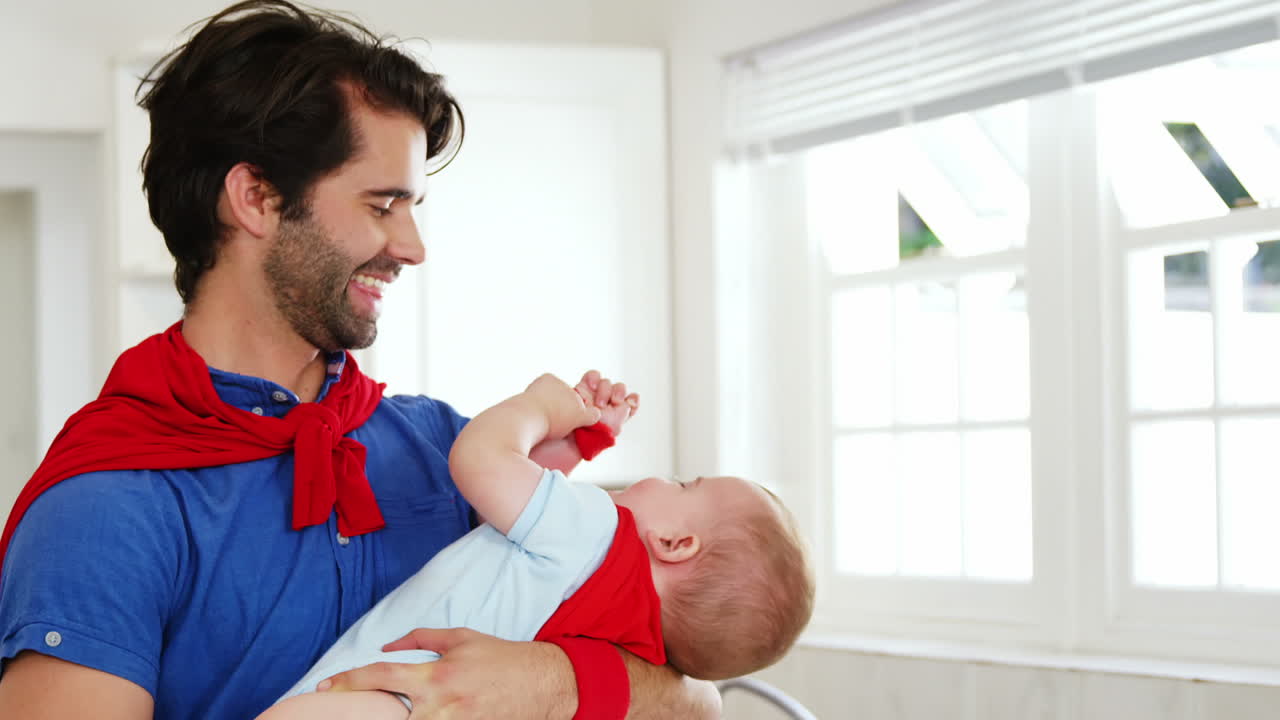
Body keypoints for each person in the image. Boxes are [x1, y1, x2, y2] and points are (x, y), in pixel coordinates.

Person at [0, 2, 719, 719]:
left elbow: (700, 698)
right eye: (383, 205)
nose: (413, 247)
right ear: (255, 198)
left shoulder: (445, 448)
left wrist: (550, 681)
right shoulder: (103, 512)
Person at [257, 373, 815, 719]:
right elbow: (515, 540)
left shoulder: (600, 527)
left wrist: (539, 407)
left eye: (688, 484)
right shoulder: (635, 644)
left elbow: (479, 463)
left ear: (673, 542)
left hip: (393, 691)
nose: (671, 478)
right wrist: (570, 451)